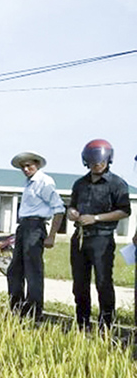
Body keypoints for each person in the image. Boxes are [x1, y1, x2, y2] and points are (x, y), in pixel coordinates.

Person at [68, 139, 130, 331]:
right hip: (79, 237)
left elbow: (125, 211)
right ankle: (82, 323)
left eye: (101, 161)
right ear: (86, 161)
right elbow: (72, 205)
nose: (97, 165)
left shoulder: (117, 184)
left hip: (101, 238)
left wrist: (95, 218)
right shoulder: (80, 184)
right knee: (79, 284)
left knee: (103, 282)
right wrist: (72, 212)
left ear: (108, 160)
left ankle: (106, 325)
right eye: (93, 161)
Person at [6, 151, 65, 320]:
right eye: (23, 167)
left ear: (37, 165)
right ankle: (17, 309)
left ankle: (34, 312)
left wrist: (51, 235)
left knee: (33, 271)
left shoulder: (44, 182)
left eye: (29, 165)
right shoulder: (29, 184)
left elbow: (59, 209)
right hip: (24, 226)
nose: (25, 169)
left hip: (35, 226)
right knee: (15, 270)